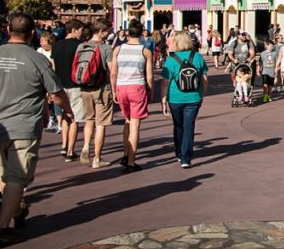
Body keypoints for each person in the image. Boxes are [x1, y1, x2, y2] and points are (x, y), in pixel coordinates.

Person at [0, 13, 73, 246]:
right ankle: (1, 228)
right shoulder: (37, 60)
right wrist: (67, 111)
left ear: (8, 30)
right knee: (16, 178)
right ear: (31, 34)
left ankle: (16, 209)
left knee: (6, 176)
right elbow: (56, 93)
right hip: (24, 127)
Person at [160, 31, 208, 168]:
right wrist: (201, 95)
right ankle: (186, 158)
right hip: (193, 98)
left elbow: (165, 82)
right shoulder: (197, 56)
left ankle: (180, 153)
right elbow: (205, 80)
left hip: (175, 98)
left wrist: (163, 100)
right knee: (189, 126)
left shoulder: (171, 59)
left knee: (178, 125)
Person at [111, 19, 153, 172]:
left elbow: (113, 72)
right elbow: (149, 76)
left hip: (121, 86)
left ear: (128, 33)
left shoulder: (118, 50)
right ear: (141, 34)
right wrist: (150, 90)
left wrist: (114, 90)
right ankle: (131, 161)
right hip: (137, 87)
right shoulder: (145, 51)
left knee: (127, 121)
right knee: (135, 125)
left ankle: (125, 153)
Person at [79, 19, 116, 168]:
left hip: (85, 88)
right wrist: (114, 90)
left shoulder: (82, 46)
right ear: (101, 32)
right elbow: (112, 72)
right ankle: (97, 159)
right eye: (107, 31)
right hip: (101, 88)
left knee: (89, 119)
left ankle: (86, 146)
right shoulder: (106, 48)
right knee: (101, 124)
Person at [50, 18, 87, 162]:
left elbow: (53, 67)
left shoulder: (57, 46)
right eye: (80, 30)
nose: (81, 33)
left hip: (59, 86)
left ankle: (64, 144)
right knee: (75, 118)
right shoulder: (80, 46)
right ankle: (70, 151)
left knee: (65, 115)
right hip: (75, 85)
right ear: (74, 30)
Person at [36, 32, 60, 134]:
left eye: (43, 41)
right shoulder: (39, 51)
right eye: (40, 41)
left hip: (51, 77)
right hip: (41, 79)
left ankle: (58, 121)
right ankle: (50, 118)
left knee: (54, 99)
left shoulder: (54, 51)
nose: (41, 43)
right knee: (46, 101)